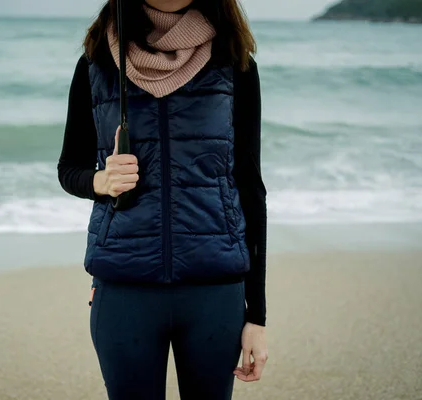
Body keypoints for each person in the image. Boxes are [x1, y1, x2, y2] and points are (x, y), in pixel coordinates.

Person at [57, 0, 268, 398]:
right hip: (123, 286)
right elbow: (70, 169)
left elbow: (250, 188)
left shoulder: (234, 62)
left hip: (215, 289)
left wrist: (256, 315)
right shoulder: (97, 63)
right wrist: (102, 181)